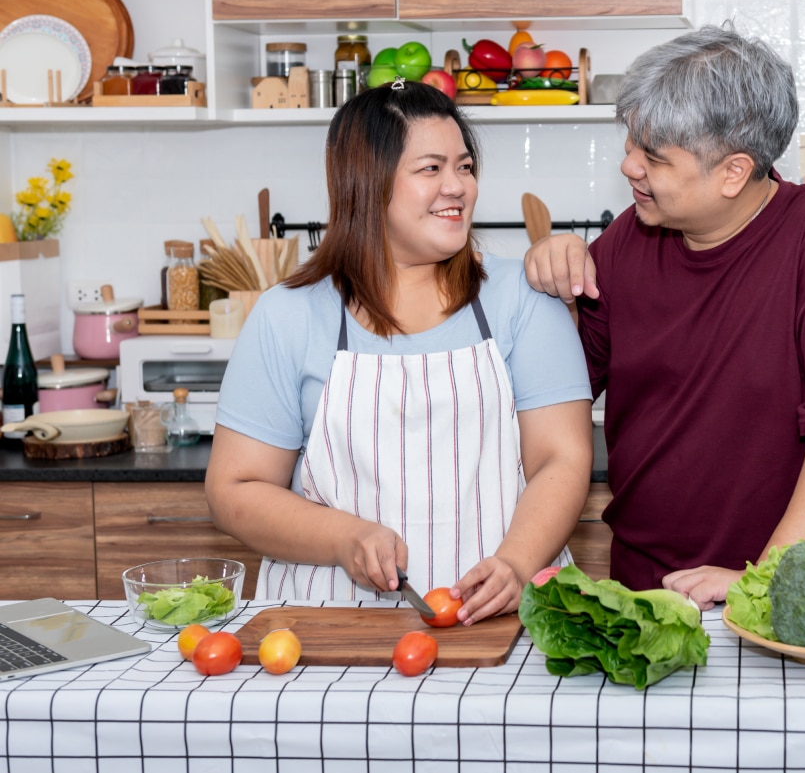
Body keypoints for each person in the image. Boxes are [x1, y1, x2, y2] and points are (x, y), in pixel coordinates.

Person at [524, 25, 805, 610]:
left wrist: (765, 580)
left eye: (653, 157)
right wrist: (559, 290)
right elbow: (560, 384)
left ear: (734, 172)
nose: (630, 166)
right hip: (651, 593)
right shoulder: (630, 239)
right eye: (631, 143)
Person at [207, 80, 594, 625]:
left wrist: (515, 563)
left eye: (464, 166)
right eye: (431, 169)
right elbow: (234, 489)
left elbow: (564, 458)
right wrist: (346, 537)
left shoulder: (524, 299)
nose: (457, 186)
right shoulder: (287, 315)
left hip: (505, 619)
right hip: (329, 623)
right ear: (367, 184)